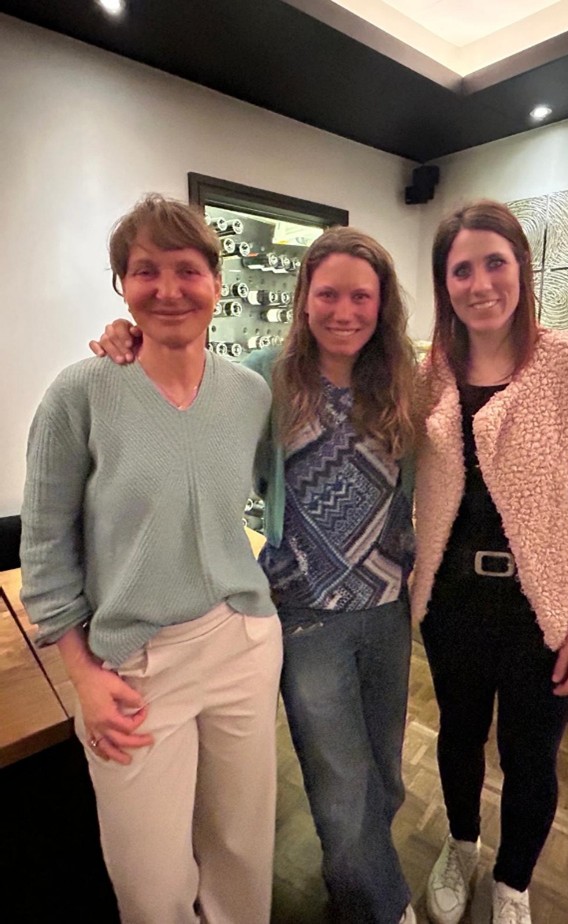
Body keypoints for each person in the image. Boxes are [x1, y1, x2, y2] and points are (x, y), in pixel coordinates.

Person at [90, 226, 418, 924]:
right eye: (327, 294)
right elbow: (186, 378)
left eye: (361, 297)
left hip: (388, 610)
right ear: (303, 299)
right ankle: (376, 908)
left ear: (382, 303)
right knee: (339, 786)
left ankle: (365, 885)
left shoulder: (402, 381)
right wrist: (129, 338)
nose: (343, 311)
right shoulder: (264, 377)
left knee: (385, 779)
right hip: (303, 613)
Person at [20, 194, 283, 924]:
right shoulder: (80, 393)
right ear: (122, 286)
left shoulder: (249, 392)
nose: (168, 289)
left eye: (187, 270)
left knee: (242, 853)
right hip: (132, 668)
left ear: (217, 282)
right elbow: (44, 547)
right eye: (145, 271)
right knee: (151, 883)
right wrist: (83, 676)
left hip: (240, 642)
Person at [411, 200, 568, 924]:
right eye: (461, 270)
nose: (480, 284)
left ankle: (513, 882)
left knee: (531, 757)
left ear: (521, 268)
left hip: (545, 608)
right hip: (452, 604)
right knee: (459, 737)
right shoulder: (429, 371)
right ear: (444, 283)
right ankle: (461, 844)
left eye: (494, 262)